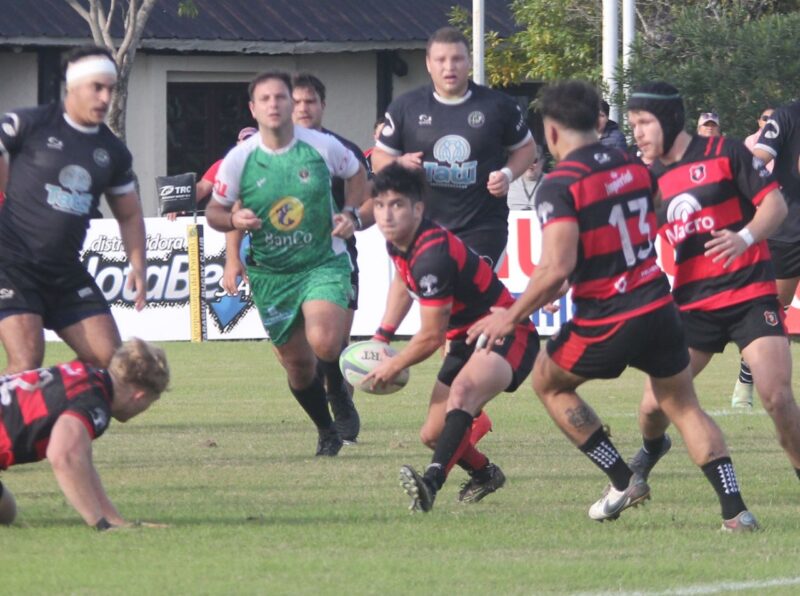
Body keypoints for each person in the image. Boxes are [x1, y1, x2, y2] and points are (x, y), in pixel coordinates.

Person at [469, 80, 757, 531]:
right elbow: (648, 218)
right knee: (684, 406)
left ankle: (623, 480)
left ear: (551, 132)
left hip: (608, 314)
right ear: (597, 121)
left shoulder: (559, 184)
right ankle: (736, 512)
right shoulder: (634, 166)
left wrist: (511, 315)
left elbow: (555, 266)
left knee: (548, 382)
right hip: (658, 305)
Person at [625, 82, 800, 492]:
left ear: (668, 120)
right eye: (632, 125)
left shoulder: (727, 152)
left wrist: (745, 237)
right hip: (694, 305)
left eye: (644, 123)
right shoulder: (647, 181)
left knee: (777, 398)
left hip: (750, 295)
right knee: (652, 407)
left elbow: (774, 204)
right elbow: (633, 245)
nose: (638, 133)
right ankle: (652, 448)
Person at [206, 71, 367, 457]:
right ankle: (326, 429)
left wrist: (350, 212)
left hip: (323, 262)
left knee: (325, 339)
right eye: (266, 99)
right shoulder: (240, 159)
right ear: (253, 108)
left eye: (281, 97)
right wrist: (234, 225)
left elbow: (358, 174)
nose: (275, 104)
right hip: (272, 273)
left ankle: (337, 391)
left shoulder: (322, 146)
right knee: (297, 365)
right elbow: (215, 211)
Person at [361, 163, 538, 512]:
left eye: (396, 204)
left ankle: (430, 484)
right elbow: (402, 282)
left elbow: (430, 337)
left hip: (506, 331)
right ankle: (485, 473)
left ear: (418, 209)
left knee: (463, 393)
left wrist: (393, 365)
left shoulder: (433, 255)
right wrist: (382, 335)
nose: (386, 215)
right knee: (432, 435)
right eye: (380, 205)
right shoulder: (399, 242)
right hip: (464, 338)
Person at [0, 45, 147, 375]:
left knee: (112, 365)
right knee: (26, 362)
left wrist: (138, 265)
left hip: (65, 271)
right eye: (97, 87)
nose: (105, 98)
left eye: (110, 89)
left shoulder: (113, 151)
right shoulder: (30, 123)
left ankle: (60, 404)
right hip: (11, 264)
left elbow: (129, 214)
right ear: (73, 86)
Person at [371, 26, 536, 269]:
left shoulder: (498, 106)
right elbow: (378, 157)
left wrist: (507, 174)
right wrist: (398, 164)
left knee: (465, 285)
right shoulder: (406, 107)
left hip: (482, 226)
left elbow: (527, 148)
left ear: (469, 61)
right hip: (422, 224)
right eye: (441, 60)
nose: (449, 67)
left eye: (457, 59)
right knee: (432, 288)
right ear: (428, 64)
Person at [0, 338, 170, 529]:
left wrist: (115, 520)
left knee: (7, 511)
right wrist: (100, 524)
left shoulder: (86, 375)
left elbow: (82, 463)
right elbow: (64, 456)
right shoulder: (93, 402)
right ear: (139, 396)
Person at [730, 106, 775, 407]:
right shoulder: (749, 145)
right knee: (770, 312)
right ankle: (745, 382)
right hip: (777, 232)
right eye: (765, 118)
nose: (770, 123)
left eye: (774, 118)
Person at [165, 126, 258, 221]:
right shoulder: (223, 165)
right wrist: (181, 203)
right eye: (245, 140)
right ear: (238, 143)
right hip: (228, 222)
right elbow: (202, 187)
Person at [506, 146, 544, 210]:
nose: (530, 164)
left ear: (542, 162)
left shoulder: (552, 183)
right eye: (527, 160)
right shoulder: (508, 183)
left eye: (534, 160)